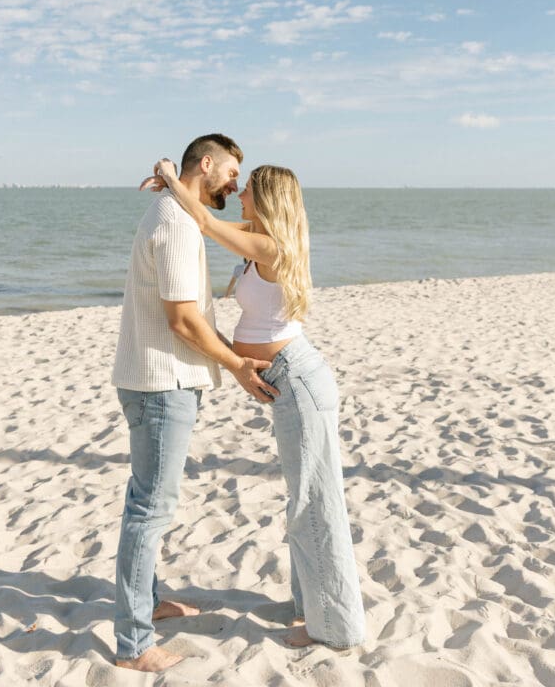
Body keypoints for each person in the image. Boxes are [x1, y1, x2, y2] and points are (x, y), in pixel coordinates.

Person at [152, 157, 366, 651]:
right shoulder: (259, 235)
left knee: (314, 503)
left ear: (266, 199)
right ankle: (309, 610)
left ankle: (335, 628)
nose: (239, 193)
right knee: (304, 499)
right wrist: (175, 190)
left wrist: (169, 173)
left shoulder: (270, 245)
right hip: (290, 382)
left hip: (299, 380)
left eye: (247, 189)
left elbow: (203, 221)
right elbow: (203, 210)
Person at [112, 134, 278, 673]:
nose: (236, 182)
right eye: (231, 170)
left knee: (149, 501)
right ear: (205, 165)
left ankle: (151, 601)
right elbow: (183, 321)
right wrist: (236, 366)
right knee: (150, 508)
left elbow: (256, 233)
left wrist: (167, 175)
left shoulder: (174, 209)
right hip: (163, 384)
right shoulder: (176, 223)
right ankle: (135, 644)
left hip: (157, 378)